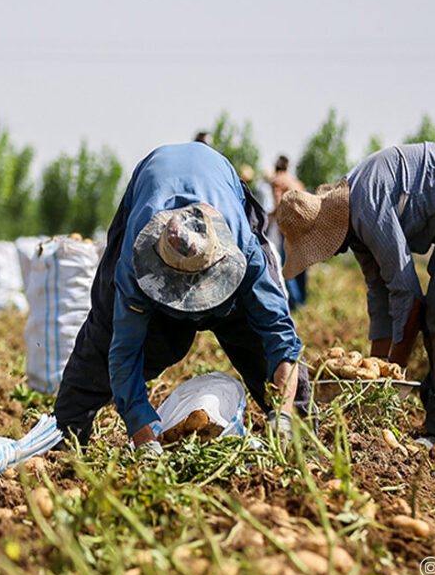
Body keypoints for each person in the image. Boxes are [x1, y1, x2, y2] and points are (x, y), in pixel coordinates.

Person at [54, 142, 310, 452]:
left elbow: (280, 337)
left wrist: (283, 412)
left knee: (261, 350)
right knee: (102, 339)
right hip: (151, 182)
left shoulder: (246, 251)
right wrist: (143, 437)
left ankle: (299, 446)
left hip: (218, 181)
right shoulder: (135, 262)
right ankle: (64, 439)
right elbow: (123, 354)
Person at [275, 142, 435, 449]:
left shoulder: (364, 204)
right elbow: (380, 297)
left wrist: (387, 384)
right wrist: (372, 369)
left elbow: (407, 294)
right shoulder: (353, 226)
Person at [268, 155, 307, 308]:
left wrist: (269, 217)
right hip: (303, 227)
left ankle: (294, 304)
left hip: (289, 228)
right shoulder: (297, 183)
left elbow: (280, 204)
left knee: (286, 267)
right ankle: (303, 301)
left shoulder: (277, 181)